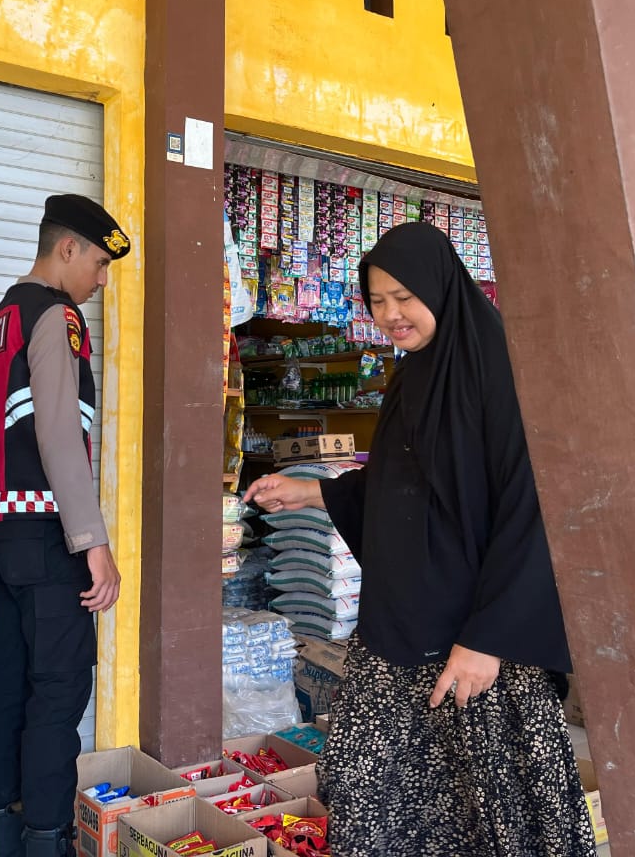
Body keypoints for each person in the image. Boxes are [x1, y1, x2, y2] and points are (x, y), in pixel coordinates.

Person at [244, 222, 596, 857]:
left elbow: (535, 505)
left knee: (494, 809)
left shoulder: (503, 371)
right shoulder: (415, 375)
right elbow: (406, 483)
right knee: (365, 784)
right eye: (377, 301)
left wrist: (487, 640)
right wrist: (315, 491)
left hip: (485, 643)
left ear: (439, 285)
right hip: (402, 628)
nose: (390, 315)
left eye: (404, 296)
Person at [0, 194, 129, 857]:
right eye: (98, 260)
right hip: (44, 525)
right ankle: (46, 841)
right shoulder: (55, 316)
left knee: (8, 677)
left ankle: (5, 826)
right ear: (66, 249)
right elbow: (59, 433)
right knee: (58, 690)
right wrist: (94, 543)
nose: (102, 279)